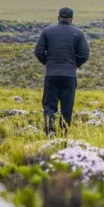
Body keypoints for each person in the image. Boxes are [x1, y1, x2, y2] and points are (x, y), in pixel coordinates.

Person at [33, 7, 90, 135]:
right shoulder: (78, 33)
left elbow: (38, 51)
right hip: (69, 76)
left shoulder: (47, 31)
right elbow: (84, 54)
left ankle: (49, 132)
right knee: (67, 107)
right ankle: (64, 133)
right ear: (71, 19)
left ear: (58, 18)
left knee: (49, 106)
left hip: (52, 74)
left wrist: (48, 63)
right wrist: (73, 65)